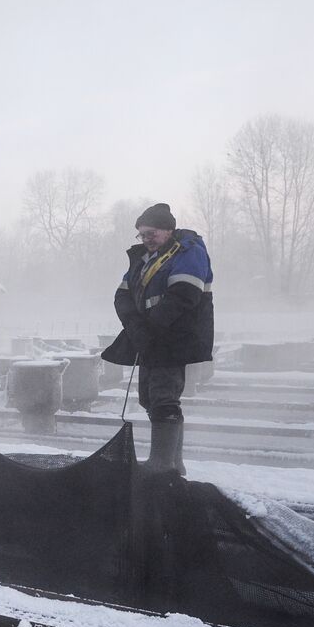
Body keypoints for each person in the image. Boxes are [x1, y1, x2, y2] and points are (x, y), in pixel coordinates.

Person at [100, 202, 214, 475]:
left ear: (168, 230)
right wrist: (136, 327)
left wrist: (148, 327)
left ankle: (163, 464)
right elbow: (122, 295)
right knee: (149, 398)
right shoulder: (143, 259)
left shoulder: (189, 252)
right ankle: (173, 463)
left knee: (164, 397)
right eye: (142, 234)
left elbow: (184, 296)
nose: (146, 239)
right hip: (149, 337)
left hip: (173, 337)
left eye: (152, 233)